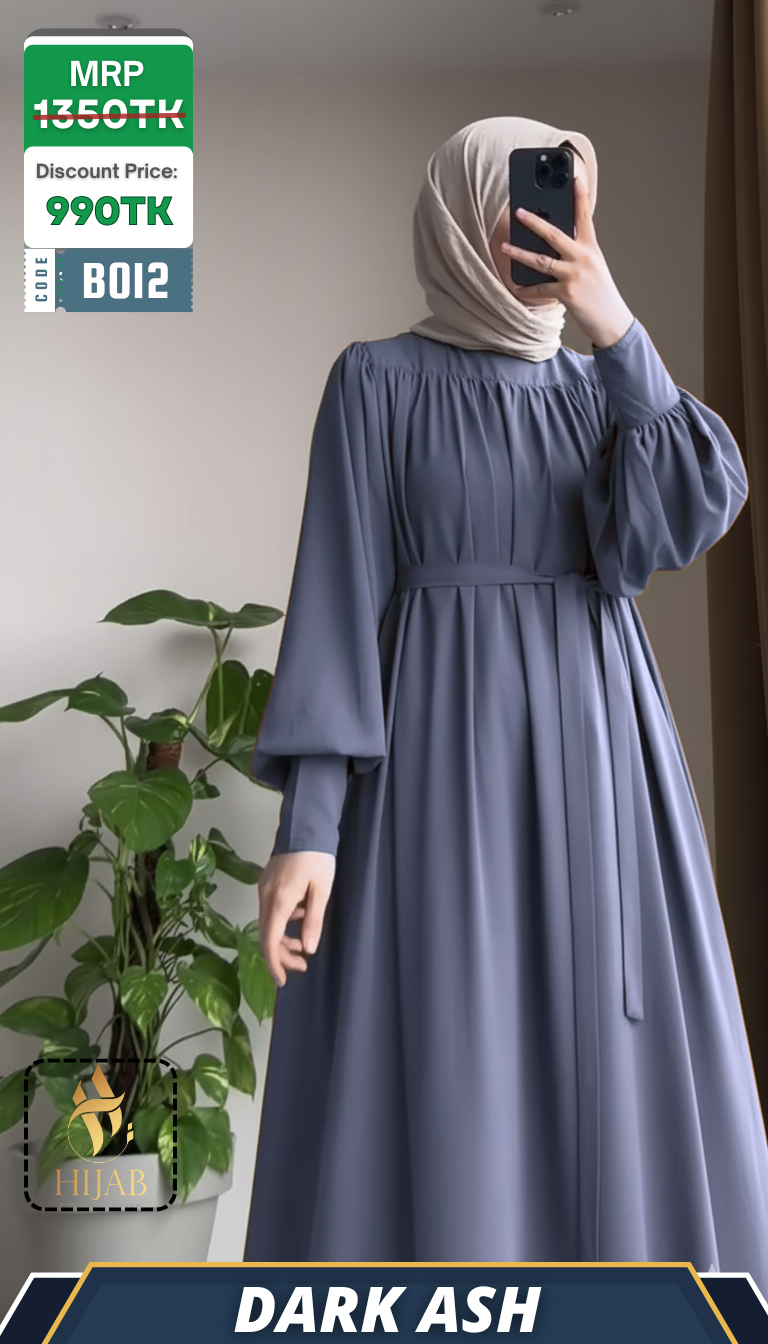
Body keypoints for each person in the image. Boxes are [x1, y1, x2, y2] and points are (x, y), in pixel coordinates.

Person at [242, 116, 768, 1289]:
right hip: (438, 758)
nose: (536, 229)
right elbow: (338, 597)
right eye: (514, 204)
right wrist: (311, 828)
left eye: (562, 204)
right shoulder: (376, 381)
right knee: (452, 1045)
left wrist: (615, 325)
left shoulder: (600, 386)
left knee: (607, 1044)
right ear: (454, 218)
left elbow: (697, 503)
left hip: (602, 750)